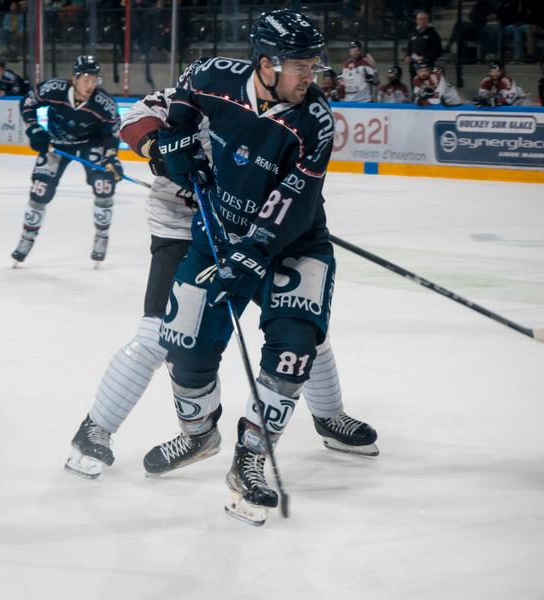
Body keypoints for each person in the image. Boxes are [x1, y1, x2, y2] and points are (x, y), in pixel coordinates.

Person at [64, 87, 380, 482]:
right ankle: (98, 428)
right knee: (159, 334)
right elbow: (134, 119)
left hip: (254, 236)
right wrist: (156, 148)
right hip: (183, 232)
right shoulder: (191, 96)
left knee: (301, 327)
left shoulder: (262, 111)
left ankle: (329, 416)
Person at [143, 9, 378, 526]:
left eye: (314, 65)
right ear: (267, 65)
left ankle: (250, 457)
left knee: (294, 346)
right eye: (301, 66)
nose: (311, 76)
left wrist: (254, 249)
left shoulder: (314, 119)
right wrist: (177, 137)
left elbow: (296, 197)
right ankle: (198, 434)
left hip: (293, 242)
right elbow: (185, 92)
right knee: (184, 343)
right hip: (218, 232)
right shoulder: (215, 76)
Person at [11, 55, 123, 266]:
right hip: (57, 143)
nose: (90, 85)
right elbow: (28, 102)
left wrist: (110, 157)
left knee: (104, 185)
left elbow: (112, 133)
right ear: (74, 78)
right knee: (40, 190)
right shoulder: (53, 89)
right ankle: (27, 238)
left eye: (94, 80)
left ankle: (102, 236)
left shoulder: (104, 103)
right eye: (86, 79)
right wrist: (34, 129)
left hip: (91, 143)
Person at [404, 11, 442, 77]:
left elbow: (438, 51)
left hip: (427, 67)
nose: (422, 20)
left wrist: (425, 57)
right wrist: (407, 56)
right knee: (414, 82)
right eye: (419, 19)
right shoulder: (412, 33)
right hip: (414, 66)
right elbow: (409, 48)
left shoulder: (433, 34)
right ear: (416, 20)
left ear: (428, 20)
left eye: (424, 18)